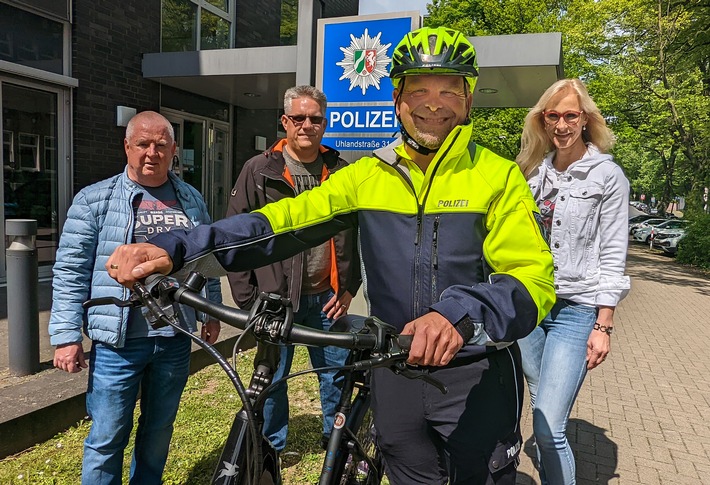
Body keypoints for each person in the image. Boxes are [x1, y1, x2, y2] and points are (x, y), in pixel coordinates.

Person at [107, 27, 556, 484]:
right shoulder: (367, 176)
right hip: (393, 371)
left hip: (474, 376)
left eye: (448, 89)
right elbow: (279, 222)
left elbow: (532, 280)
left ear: (468, 98)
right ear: (397, 97)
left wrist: (456, 317)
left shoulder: (498, 177)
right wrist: (175, 248)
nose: (433, 102)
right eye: (418, 88)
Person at [48, 110, 223, 485]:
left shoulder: (190, 199)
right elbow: (70, 272)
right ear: (126, 146)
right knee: (107, 436)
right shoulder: (94, 200)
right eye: (142, 144)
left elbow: (207, 258)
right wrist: (65, 335)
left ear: (174, 150)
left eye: (161, 145)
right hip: (118, 343)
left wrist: (213, 311)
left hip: (175, 338)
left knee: (159, 430)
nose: (151, 153)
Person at [226, 85, 360, 451]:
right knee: (272, 377)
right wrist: (246, 298)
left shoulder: (340, 170)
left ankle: (335, 441)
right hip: (274, 300)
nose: (307, 125)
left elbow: (353, 231)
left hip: (327, 298)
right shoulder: (258, 170)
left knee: (336, 373)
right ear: (284, 121)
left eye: (315, 119)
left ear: (325, 123)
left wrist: (349, 286)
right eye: (298, 118)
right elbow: (235, 236)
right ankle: (273, 446)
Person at [515, 78, 631, 485]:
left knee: (549, 429)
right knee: (537, 402)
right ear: (542, 120)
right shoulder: (531, 171)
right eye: (553, 116)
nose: (561, 125)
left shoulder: (608, 176)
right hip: (531, 304)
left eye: (570, 115)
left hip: (576, 311)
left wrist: (604, 323)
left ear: (585, 119)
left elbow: (614, 251)